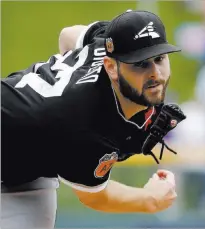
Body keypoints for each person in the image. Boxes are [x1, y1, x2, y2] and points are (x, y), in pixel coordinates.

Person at [1, 10, 185, 229]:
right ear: (111, 68)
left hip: (28, 164)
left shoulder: (108, 44)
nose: (156, 73)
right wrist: (151, 199)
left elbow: (68, 35)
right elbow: (95, 197)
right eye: (140, 63)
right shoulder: (83, 122)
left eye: (159, 58)